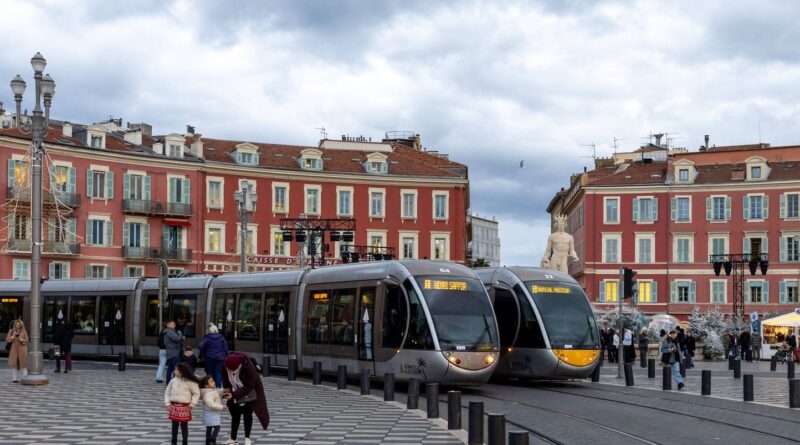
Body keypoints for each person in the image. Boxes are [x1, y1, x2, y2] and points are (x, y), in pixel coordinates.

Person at [222, 353, 270, 445]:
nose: (228, 371)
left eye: (231, 369)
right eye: (227, 369)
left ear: (238, 366)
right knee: (235, 416)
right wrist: (226, 395)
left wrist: (234, 395)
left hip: (248, 393)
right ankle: (233, 438)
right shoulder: (224, 366)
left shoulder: (249, 368)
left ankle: (247, 437)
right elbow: (225, 382)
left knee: (247, 414)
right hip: (234, 393)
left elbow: (250, 386)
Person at [165, 362, 201, 445]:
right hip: (173, 406)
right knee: (174, 425)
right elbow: (167, 392)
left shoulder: (190, 382)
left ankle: (185, 442)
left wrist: (192, 404)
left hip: (185, 407)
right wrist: (167, 403)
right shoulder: (173, 380)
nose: (174, 371)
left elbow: (196, 393)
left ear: (182, 371)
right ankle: (174, 441)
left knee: (184, 426)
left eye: (176, 369)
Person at [200, 375, 226, 445]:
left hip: (211, 413)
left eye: (213, 381)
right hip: (211, 413)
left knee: (209, 428)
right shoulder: (208, 394)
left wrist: (224, 390)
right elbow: (211, 405)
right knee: (217, 427)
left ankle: (208, 441)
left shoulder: (212, 391)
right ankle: (213, 440)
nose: (214, 382)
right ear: (206, 385)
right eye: (211, 382)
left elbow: (217, 392)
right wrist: (222, 407)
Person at [164, 320, 185, 385]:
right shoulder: (170, 332)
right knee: (175, 370)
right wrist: (180, 335)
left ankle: (169, 382)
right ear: (168, 325)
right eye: (173, 324)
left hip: (171, 354)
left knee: (170, 369)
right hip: (174, 354)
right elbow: (177, 339)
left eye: (174, 324)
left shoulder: (169, 332)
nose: (174, 325)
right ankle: (174, 383)